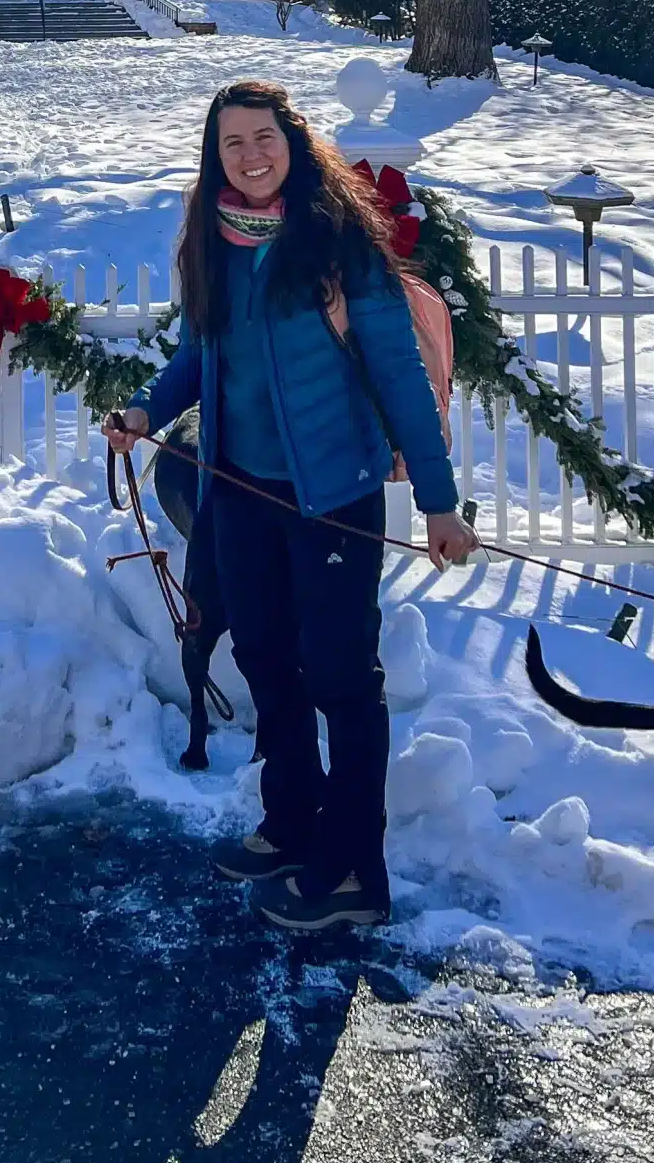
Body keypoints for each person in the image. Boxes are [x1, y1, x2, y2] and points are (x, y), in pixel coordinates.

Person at [104, 79, 480, 931]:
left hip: (332, 498)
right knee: (269, 662)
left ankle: (353, 869)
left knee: (343, 679)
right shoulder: (215, 240)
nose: (251, 155)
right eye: (232, 143)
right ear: (216, 156)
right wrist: (144, 413)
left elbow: (401, 378)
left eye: (264, 137)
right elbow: (201, 353)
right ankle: (291, 825)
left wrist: (439, 501)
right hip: (239, 491)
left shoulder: (340, 243)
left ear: (294, 140)